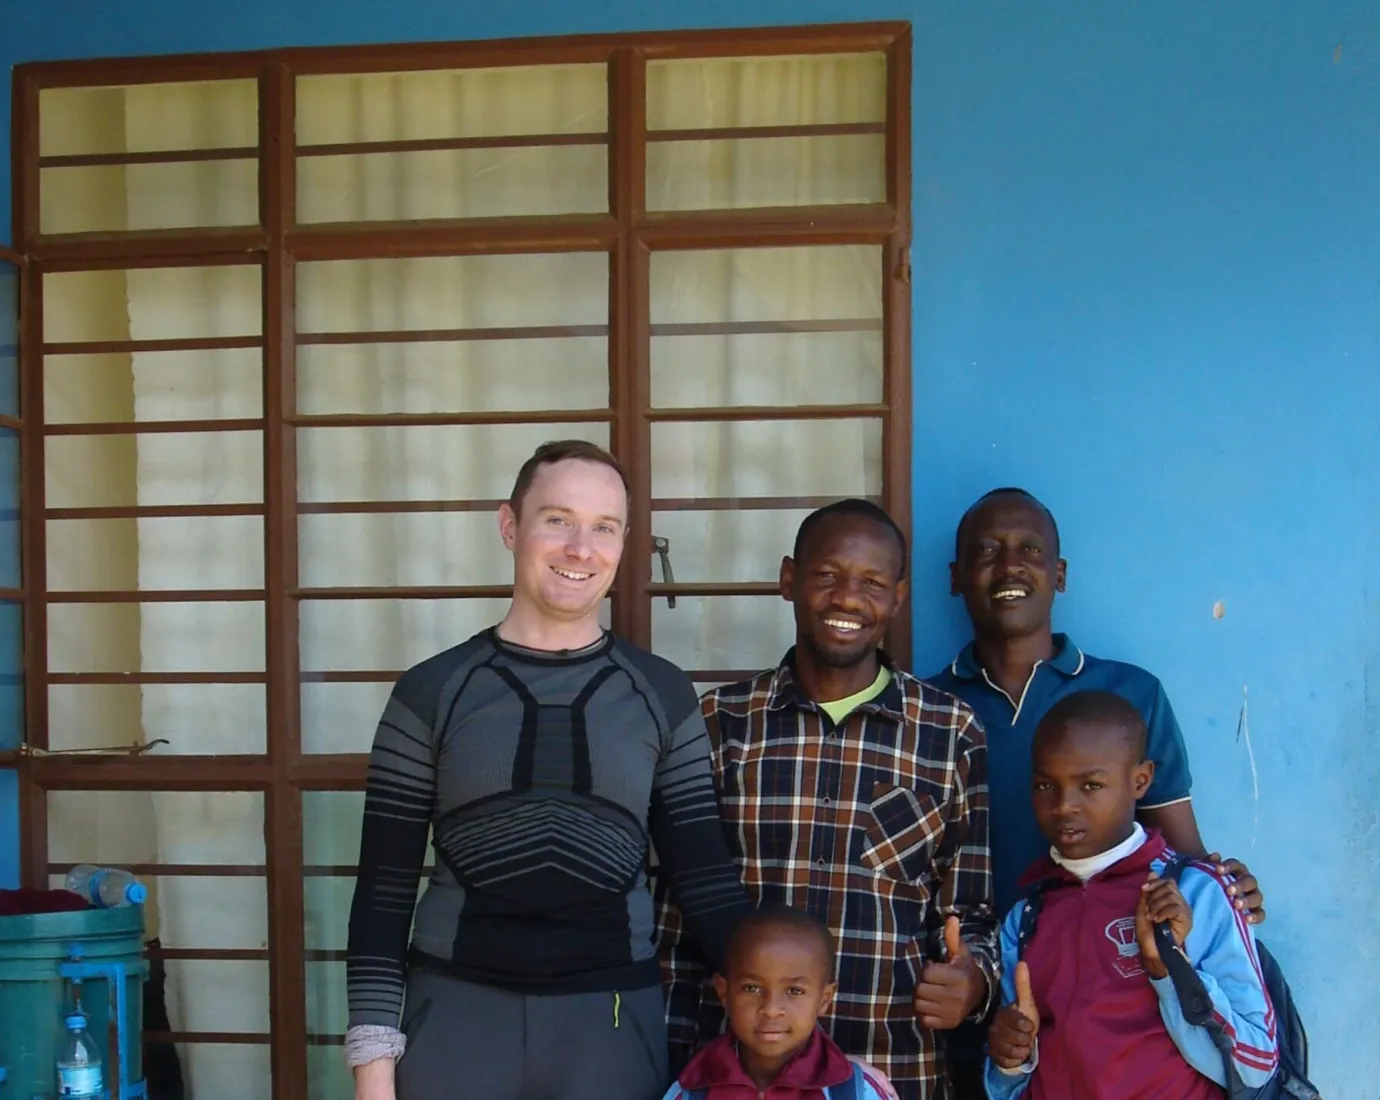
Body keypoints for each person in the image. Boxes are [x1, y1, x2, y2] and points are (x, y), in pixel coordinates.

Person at [345, 440, 749, 1100]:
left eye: (604, 527)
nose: (580, 548)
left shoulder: (663, 696)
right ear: (510, 526)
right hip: (453, 1018)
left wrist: (801, 1048)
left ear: (624, 543)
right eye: (557, 519)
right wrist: (372, 1068)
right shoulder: (430, 691)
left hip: (613, 1027)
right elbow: (383, 894)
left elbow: (707, 888)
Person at [927, 488, 1266, 1098]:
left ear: (1059, 574)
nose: (1010, 566)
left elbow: (1181, 855)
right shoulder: (926, 708)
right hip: (989, 994)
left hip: (1133, 1006)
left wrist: (1224, 893)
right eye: (987, 551)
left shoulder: (1129, 693)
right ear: (955, 578)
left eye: (1030, 550)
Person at [658, 499, 999, 1100]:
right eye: (826, 576)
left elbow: (969, 912)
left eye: (871, 583)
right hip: (737, 1080)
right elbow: (675, 920)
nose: (847, 598)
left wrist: (974, 982)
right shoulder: (720, 724)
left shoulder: (949, 732)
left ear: (897, 597)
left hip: (892, 1067)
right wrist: (675, 1066)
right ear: (789, 580)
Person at [984, 692, 1278, 1099]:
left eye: (1091, 785)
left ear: (1140, 781)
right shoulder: (1026, 918)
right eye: (1045, 785)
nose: (1064, 806)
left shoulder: (1195, 893)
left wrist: (1170, 968)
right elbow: (1011, 1087)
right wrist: (1009, 1059)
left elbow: (1255, 1065)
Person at [659, 905, 898, 1100]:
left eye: (794, 990)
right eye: (752, 988)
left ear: (824, 999)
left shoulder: (855, 1091)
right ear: (724, 992)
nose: (771, 1009)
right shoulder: (693, 1090)